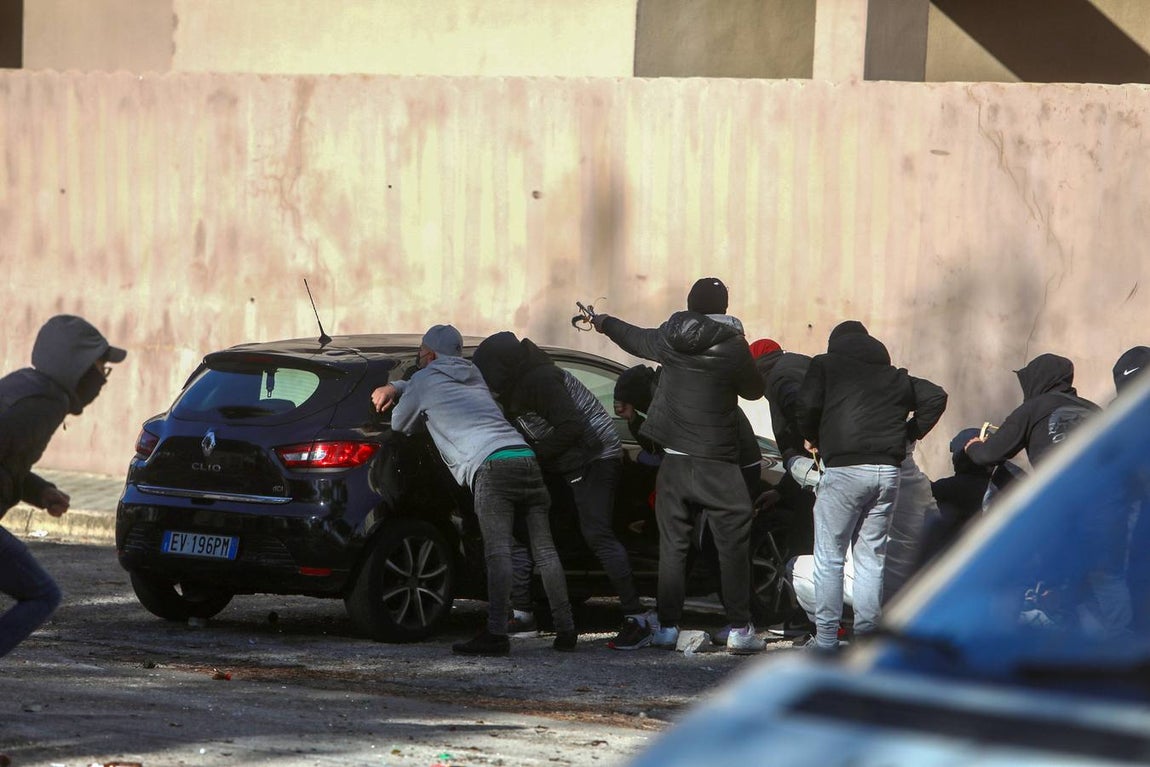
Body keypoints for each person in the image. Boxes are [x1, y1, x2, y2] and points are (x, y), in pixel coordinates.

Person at [372, 324, 576, 656]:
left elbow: (399, 423)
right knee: (545, 551)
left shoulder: (425, 380)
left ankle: (496, 634)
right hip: (524, 456)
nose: (419, 359)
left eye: (420, 353)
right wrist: (400, 384)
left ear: (430, 355)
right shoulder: (474, 375)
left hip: (490, 465)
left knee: (498, 553)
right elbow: (438, 383)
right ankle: (566, 630)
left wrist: (398, 389)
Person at [591, 277, 767, 653]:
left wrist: (603, 322)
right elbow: (754, 390)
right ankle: (740, 629)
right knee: (732, 543)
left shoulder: (670, 338)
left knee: (674, 546)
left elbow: (633, 337)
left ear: (689, 304)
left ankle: (668, 627)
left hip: (674, 462)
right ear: (724, 306)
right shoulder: (733, 345)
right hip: (717, 460)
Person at [471, 331, 650, 648]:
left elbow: (573, 426)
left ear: (501, 367)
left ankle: (636, 617)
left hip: (595, 456)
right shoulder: (518, 384)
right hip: (566, 459)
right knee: (533, 531)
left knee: (597, 533)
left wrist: (536, 457)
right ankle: (523, 614)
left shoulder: (540, 380)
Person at [796, 320, 946, 652]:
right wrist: (907, 434)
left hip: (844, 470)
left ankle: (825, 641)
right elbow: (936, 396)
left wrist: (815, 436)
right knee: (871, 558)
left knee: (830, 557)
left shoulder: (825, 365)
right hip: (887, 473)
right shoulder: (894, 376)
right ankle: (866, 641)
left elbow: (806, 406)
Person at [0, 315, 125, 658]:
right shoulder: (44, 403)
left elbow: (8, 465)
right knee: (43, 595)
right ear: (79, 366)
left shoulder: (25, 385)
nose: (102, 379)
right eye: (101, 368)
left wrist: (41, 492)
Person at [963, 353, 1099, 469]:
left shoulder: (1033, 408)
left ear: (1035, 380)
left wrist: (974, 446)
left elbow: (988, 455)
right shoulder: (1093, 409)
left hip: (1064, 488)